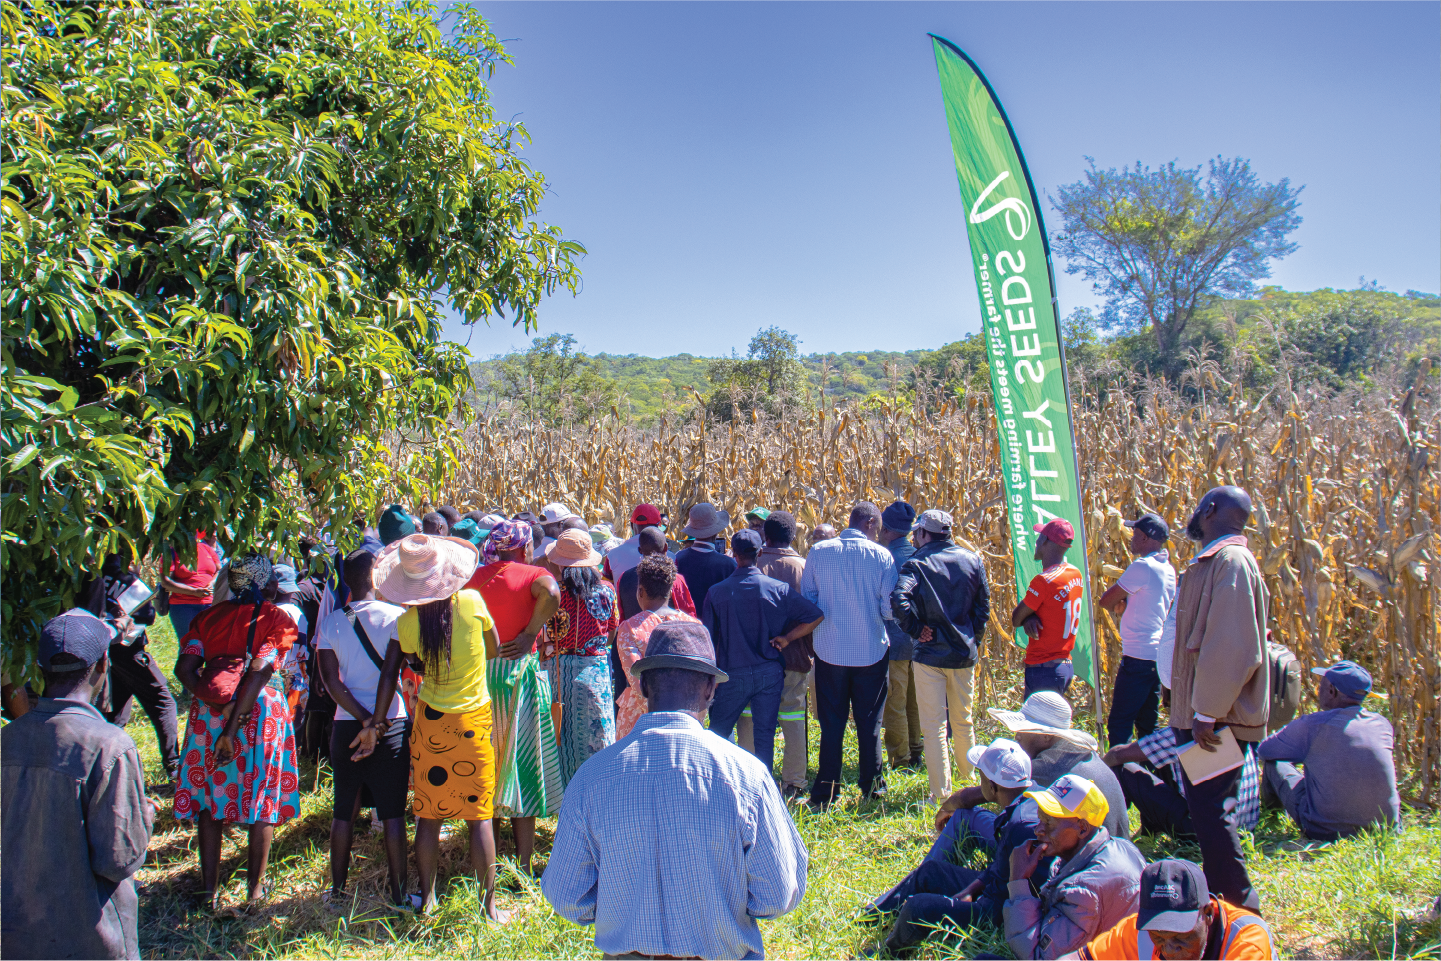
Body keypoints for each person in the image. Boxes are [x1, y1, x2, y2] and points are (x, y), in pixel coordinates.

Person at [542, 621, 808, 961]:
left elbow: (567, 896)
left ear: (642, 686)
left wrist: (625, 906)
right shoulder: (747, 777)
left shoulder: (592, 777)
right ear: (711, 689)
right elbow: (776, 894)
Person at [2, 608, 155, 961]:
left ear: (38, 670)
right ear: (104, 665)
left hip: (14, 934)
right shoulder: (109, 746)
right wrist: (143, 815)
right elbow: (118, 860)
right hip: (89, 937)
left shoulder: (5, 741)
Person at [377, 532, 507, 920]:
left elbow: (407, 664)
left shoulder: (408, 622)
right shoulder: (472, 601)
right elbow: (495, 648)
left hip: (431, 721)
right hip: (472, 722)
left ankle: (429, 899)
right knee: (479, 816)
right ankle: (489, 908)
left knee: (429, 817)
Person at [173, 554, 301, 914]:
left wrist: (216, 706)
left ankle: (209, 890)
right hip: (259, 713)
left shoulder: (207, 617)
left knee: (209, 801)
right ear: (264, 583)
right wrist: (232, 726)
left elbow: (185, 668)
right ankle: (254, 893)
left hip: (208, 713)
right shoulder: (273, 618)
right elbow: (260, 670)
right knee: (261, 799)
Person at [1170, 486, 1269, 912]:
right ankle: (1223, 899)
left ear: (1209, 510)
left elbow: (1232, 645)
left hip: (1217, 719)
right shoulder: (1214, 562)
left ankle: (1240, 908)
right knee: (1207, 809)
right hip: (1206, 714)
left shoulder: (1230, 562)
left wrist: (1206, 711)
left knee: (1212, 812)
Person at [864, 738, 1038, 953]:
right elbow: (1001, 868)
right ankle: (868, 917)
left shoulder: (1018, 825)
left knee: (918, 907)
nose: (979, 783)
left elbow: (1010, 897)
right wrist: (971, 888)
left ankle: (884, 954)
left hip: (1000, 912)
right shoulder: (1030, 800)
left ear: (993, 787)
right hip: (998, 891)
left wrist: (972, 903)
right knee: (931, 871)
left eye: (981, 777)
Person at [465, 519, 564, 873]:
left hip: (481, 680)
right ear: (524, 547)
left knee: (485, 767)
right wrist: (529, 634)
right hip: (519, 678)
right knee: (524, 767)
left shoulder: (474, 578)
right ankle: (523, 863)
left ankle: (485, 863)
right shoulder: (529, 573)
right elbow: (552, 593)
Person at [315, 550, 409, 908]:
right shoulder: (398, 617)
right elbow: (396, 671)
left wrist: (362, 718)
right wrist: (377, 721)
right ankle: (399, 894)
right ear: (376, 580)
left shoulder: (331, 624)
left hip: (346, 726)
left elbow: (329, 681)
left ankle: (337, 891)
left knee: (343, 811)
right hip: (392, 725)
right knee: (393, 814)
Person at [932, 692, 1129, 861]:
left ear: (1046, 737)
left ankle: (925, 883)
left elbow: (989, 791)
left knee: (966, 818)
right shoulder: (1079, 754)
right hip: (1108, 857)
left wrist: (953, 803)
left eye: (1023, 730)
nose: (1016, 735)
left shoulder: (1049, 767)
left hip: (1081, 864)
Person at [704, 529, 825, 778]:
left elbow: (708, 638)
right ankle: (763, 788)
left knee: (717, 734)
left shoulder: (717, 592)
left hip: (732, 672)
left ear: (733, 554)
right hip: (769, 672)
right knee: (764, 735)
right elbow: (815, 615)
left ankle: (722, 783)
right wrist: (787, 638)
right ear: (759, 553)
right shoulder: (777, 589)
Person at [801, 501, 899, 807]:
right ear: (869, 523)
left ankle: (826, 791)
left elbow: (809, 600)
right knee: (870, 723)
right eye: (879, 529)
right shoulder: (882, 556)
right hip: (870, 649)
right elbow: (888, 607)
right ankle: (872, 788)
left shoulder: (819, 552)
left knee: (832, 724)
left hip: (829, 650)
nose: (879, 535)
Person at [891, 508, 991, 803]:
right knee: (963, 720)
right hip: (963, 653)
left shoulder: (916, 563)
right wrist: (972, 640)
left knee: (934, 726)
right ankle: (970, 782)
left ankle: (940, 794)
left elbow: (899, 599)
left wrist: (915, 628)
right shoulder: (972, 560)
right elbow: (982, 608)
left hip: (930, 655)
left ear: (923, 533)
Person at [1001, 775, 1146, 961]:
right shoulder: (1120, 846)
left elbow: (1038, 957)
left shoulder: (1085, 890)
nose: (1038, 830)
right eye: (1040, 819)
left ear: (1083, 828)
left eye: (1049, 822)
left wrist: (1018, 882)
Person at [1257, 660, 1400, 840]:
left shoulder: (1312, 725)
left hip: (1326, 830)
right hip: (1385, 828)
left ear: (1332, 690)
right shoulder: (1381, 724)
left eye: (1321, 685)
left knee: (1275, 763)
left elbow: (1265, 750)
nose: (1318, 690)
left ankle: (1270, 818)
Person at [1059, 859, 1278, 961]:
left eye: (1181, 935)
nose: (1170, 949)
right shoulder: (1142, 932)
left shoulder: (1246, 940)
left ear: (1208, 914)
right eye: (1159, 937)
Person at [544, 528, 621, 787]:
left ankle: (562, 796)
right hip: (594, 670)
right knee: (596, 737)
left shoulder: (553, 593)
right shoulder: (607, 591)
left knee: (559, 736)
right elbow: (611, 631)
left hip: (558, 672)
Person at [95, 550, 181, 782]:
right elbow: (149, 614)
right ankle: (174, 765)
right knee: (163, 702)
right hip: (130, 650)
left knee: (116, 711)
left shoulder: (91, 576)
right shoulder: (125, 579)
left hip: (105, 650)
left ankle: (102, 765)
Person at [753, 509, 819, 799]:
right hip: (794, 656)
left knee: (752, 718)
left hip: (755, 657)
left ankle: (754, 779)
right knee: (793, 717)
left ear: (765, 535)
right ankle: (794, 783)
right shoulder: (804, 567)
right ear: (794, 536)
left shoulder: (750, 563)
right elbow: (816, 613)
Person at [1096, 513, 1176, 747]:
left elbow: (1106, 601)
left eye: (1134, 533)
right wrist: (1125, 605)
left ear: (1144, 537)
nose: (1130, 538)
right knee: (1148, 725)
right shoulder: (1167, 568)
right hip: (1155, 656)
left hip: (1138, 656)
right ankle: (1151, 777)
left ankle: (1120, 778)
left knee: (1120, 723)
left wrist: (1120, 605)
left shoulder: (1142, 567)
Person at [1103, 727, 1261, 838]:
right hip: (1246, 825)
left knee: (1124, 769)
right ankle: (1150, 830)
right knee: (1160, 759)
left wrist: (1094, 768)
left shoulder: (1190, 730)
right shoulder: (1235, 724)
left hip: (1207, 834)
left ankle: (1117, 834)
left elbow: (1116, 755)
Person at [615, 554, 700, 737]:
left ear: (640, 591)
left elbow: (637, 682)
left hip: (638, 721)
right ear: (670, 590)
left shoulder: (629, 628)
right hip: (685, 717)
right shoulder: (694, 626)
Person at [1011, 519, 1084, 697]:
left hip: (1044, 668)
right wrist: (1030, 617)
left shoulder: (1044, 580)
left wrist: (1026, 617)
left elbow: (1016, 618)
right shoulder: (1075, 574)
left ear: (1044, 541)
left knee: (1037, 725)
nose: (1036, 542)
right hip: (1064, 666)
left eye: (1039, 537)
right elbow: (1052, 608)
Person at [877, 500, 923, 773]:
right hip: (920, 642)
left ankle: (900, 759)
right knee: (914, 700)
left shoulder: (887, 559)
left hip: (895, 641)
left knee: (894, 702)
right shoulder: (919, 555)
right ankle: (916, 749)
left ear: (886, 529)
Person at [616, 526, 696, 621]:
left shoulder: (624, 578)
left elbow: (621, 617)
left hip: (634, 634)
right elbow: (689, 615)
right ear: (666, 547)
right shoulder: (674, 579)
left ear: (640, 550)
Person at [675, 502, 738, 611]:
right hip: (716, 626)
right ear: (716, 532)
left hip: (685, 624)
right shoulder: (728, 564)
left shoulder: (678, 559)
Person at [161, 529, 220, 638]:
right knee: (189, 643)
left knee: (210, 643)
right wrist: (194, 591)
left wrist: (212, 583)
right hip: (183, 605)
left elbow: (219, 570)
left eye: (193, 531)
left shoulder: (206, 549)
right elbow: (166, 582)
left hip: (210, 603)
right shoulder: (171, 552)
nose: (190, 535)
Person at [601, 503, 664, 584]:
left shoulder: (613, 555)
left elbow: (606, 587)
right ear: (658, 526)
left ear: (631, 525)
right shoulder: (670, 557)